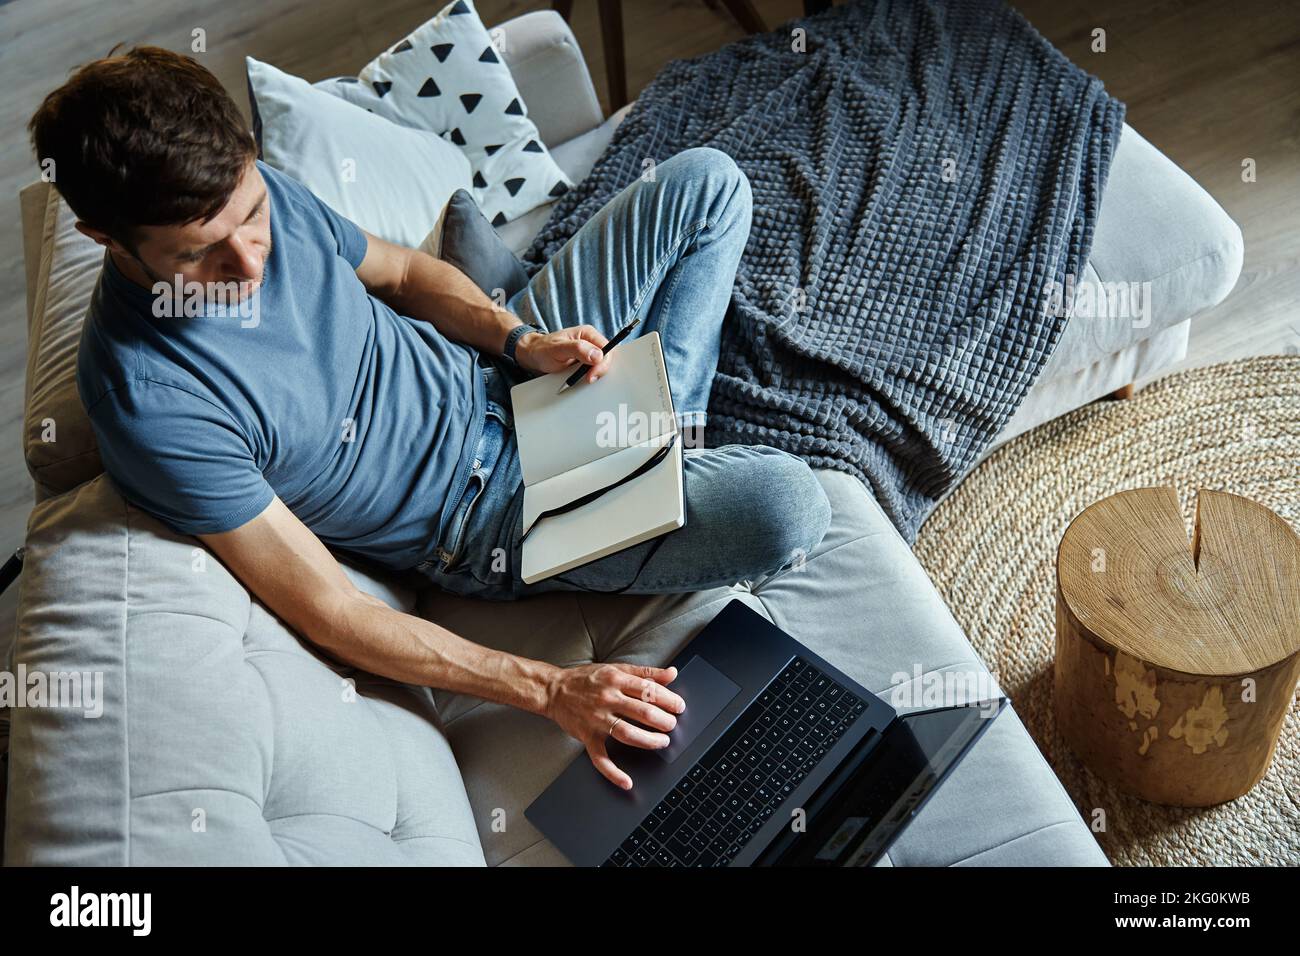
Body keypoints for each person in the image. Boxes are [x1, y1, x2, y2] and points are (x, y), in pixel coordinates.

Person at [29, 46, 831, 789]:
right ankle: (648, 449)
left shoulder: (256, 199)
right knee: (789, 504)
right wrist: (551, 687)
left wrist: (521, 341)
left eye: (251, 215)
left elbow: (409, 273)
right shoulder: (150, 401)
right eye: (199, 253)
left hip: (497, 379)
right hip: (492, 519)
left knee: (707, 183)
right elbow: (334, 612)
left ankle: (641, 452)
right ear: (104, 236)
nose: (250, 259)